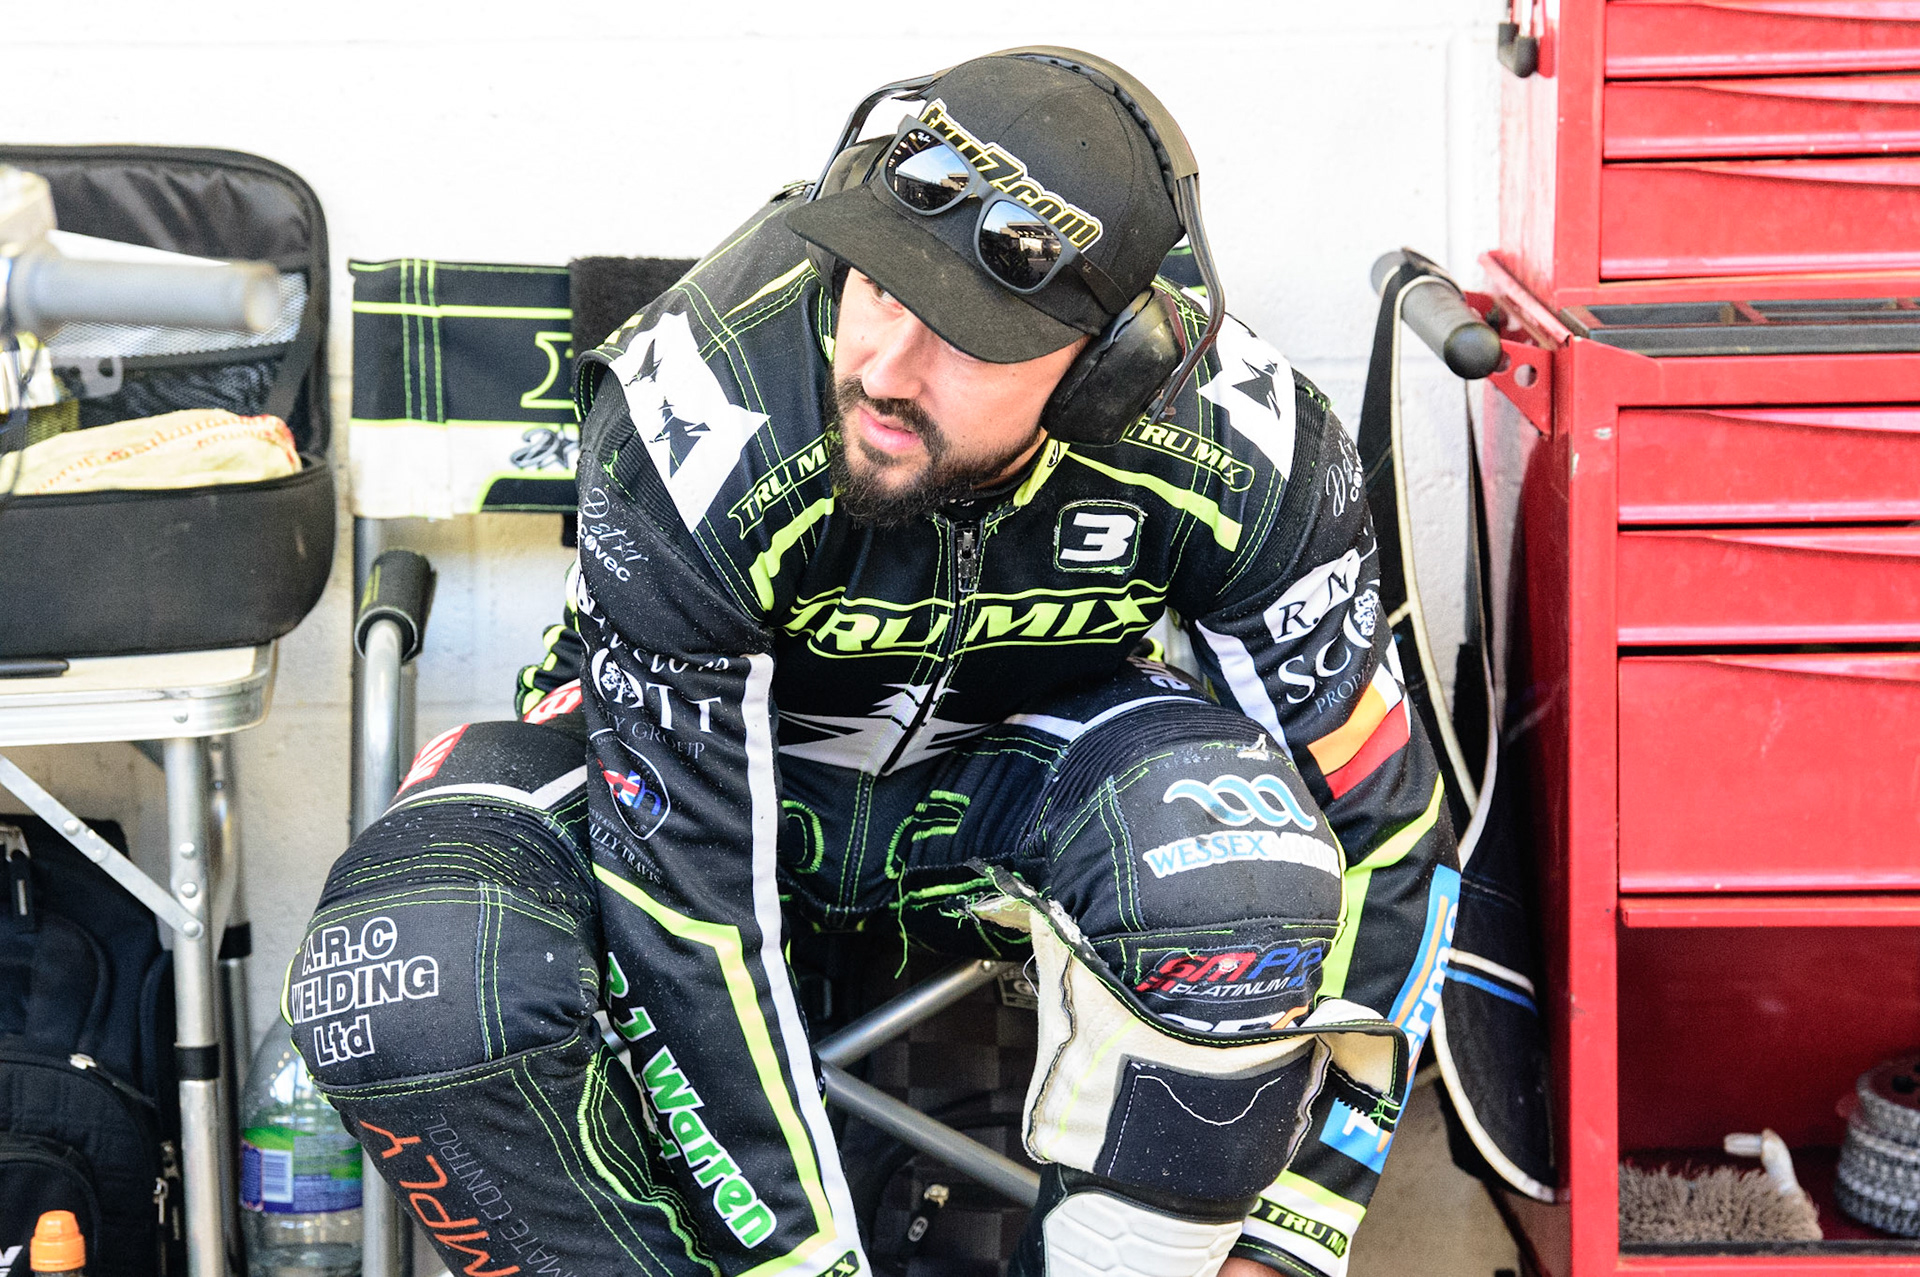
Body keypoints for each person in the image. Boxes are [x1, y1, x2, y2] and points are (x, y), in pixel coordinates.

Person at [291, 49, 1458, 1277]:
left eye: (967, 334)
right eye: (877, 287)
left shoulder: (1248, 444)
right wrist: (802, 1260)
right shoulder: (700, 413)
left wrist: (1296, 1222)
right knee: (407, 976)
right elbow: (686, 904)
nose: (888, 369)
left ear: (1107, 370)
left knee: (1245, 868)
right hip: (691, 794)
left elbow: (1385, 828)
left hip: (1000, 792)